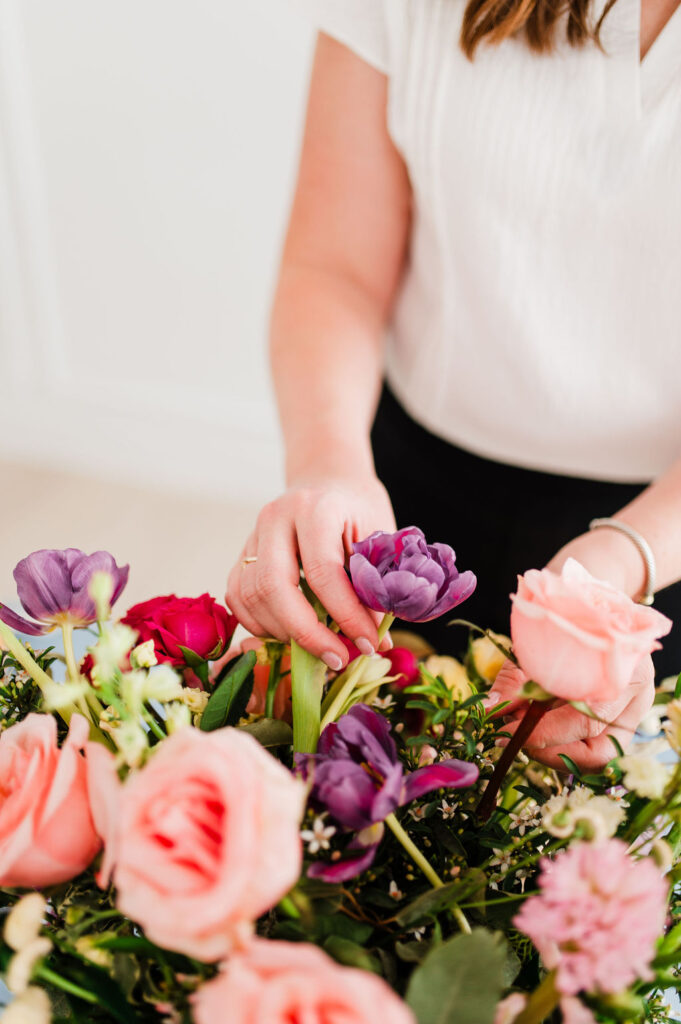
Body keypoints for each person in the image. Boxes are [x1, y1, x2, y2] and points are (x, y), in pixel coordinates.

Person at [227, 0, 681, 763]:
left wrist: (623, 563)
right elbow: (333, 268)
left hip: (659, 550)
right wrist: (328, 467)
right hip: (409, 503)